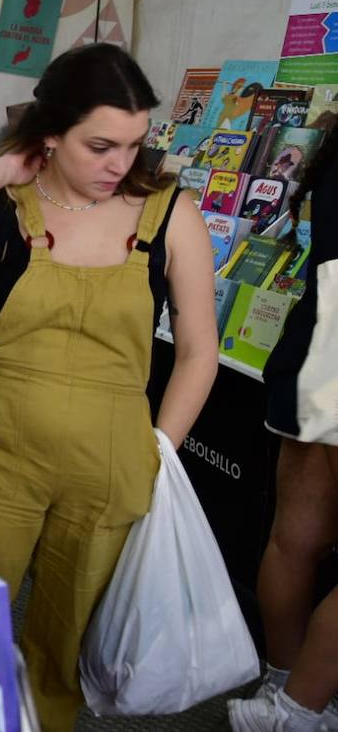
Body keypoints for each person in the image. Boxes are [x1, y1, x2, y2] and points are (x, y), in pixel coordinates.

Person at [0, 43, 218, 729]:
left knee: (62, 643)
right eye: (100, 145)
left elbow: (200, 351)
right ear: (51, 134)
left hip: (110, 468)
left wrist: (159, 449)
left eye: (134, 144)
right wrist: (3, 166)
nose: (120, 164)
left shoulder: (169, 213)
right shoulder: (12, 205)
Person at [228, 132, 338, 732]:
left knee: (295, 540)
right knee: (296, 542)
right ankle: (296, 711)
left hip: (312, 348)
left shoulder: (331, 159)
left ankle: (281, 686)